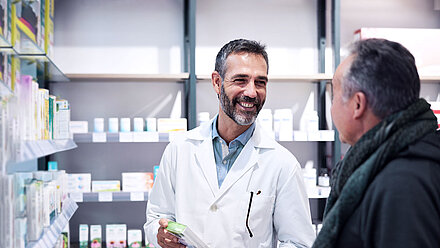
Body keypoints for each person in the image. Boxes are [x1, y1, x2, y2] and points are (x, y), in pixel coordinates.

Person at [144, 39, 316, 247]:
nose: (251, 92)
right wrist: (159, 234)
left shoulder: (283, 164)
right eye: (241, 80)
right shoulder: (179, 149)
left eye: (259, 82)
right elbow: (156, 218)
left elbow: (299, 243)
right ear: (217, 82)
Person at [313, 38, 440, 248]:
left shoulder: (401, 184)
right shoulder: (391, 161)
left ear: (357, 104)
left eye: (333, 95)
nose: (332, 106)